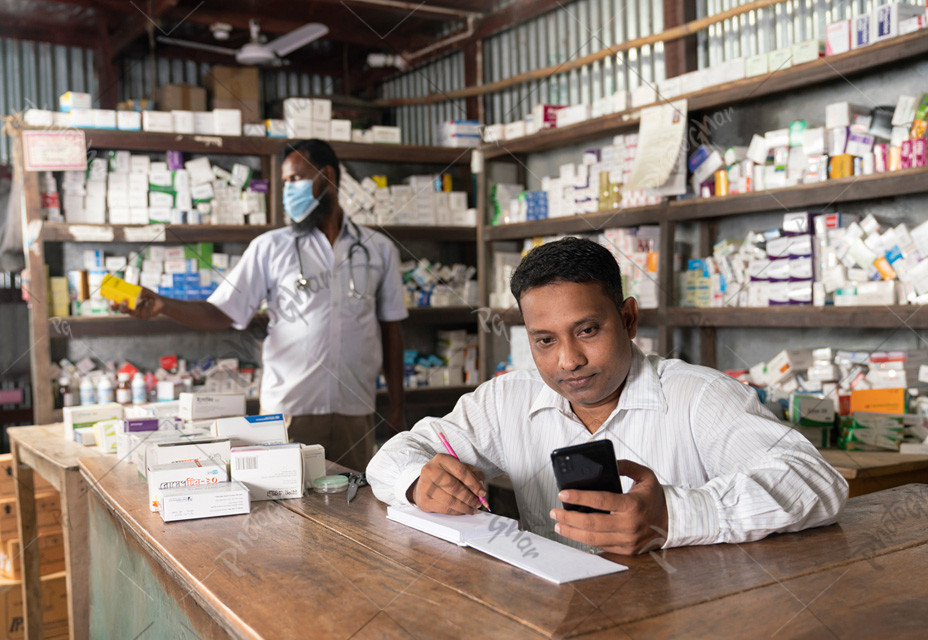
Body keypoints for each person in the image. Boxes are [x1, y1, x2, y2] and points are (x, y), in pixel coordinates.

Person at [367, 237, 848, 554]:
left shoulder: (698, 397)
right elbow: (394, 455)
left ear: (629, 320)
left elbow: (817, 481)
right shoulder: (505, 401)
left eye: (588, 330)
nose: (568, 360)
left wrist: (677, 515)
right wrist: (417, 481)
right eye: (545, 340)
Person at [115, 139, 408, 471]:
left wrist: (397, 406)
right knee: (290, 512)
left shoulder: (378, 249)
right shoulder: (270, 247)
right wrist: (162, 305)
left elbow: (391, 328)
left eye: (294, 180)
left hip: (356, 408)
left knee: (356, 507)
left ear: (326, 177)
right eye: (284, 183)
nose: (287, 192)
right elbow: (221, 312)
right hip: (291, 409)